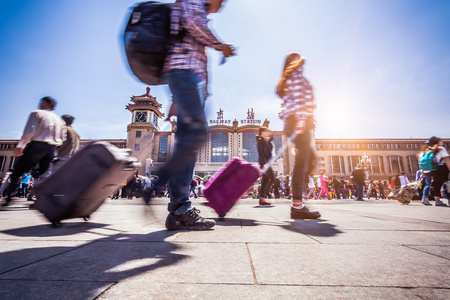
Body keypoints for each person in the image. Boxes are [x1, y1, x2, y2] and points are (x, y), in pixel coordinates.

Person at [147, 0, 235, 230]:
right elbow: (194, 25)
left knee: (189, 141)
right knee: (196, 133)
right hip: (185, 76)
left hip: (187, 79)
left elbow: (182, 42)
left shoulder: (195, 6)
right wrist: (220, 45)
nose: (223, 4)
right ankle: (158, 184)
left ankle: (179, 211)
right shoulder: (192, 1)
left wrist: (177, 99)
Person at [276, 52, 320, 219]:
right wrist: (302, 119)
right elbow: (300, 99)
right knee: (302, 163)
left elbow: (290, 102)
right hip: (299, 120)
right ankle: (297, 205)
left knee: (311, 159)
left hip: (293, 120)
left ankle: (299, 198)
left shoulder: (286, 79)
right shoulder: (296, 76)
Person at [2, 97, 66, 206]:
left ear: (45, 103)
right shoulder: (60, 120)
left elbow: (29, 131)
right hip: (52, 149)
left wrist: (20, 145)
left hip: (37, 145)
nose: (39, 104)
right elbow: (63, 138)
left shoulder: (37, 113)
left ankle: (10, 197)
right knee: (45, 174)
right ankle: (41, 198)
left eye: (41, 102)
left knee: (18, 170)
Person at [419, 136, 450, 206]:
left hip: (433, 169)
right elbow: (446, 159)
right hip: (442, 168)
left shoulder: (427, 150)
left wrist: (423, 172)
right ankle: (449, 199)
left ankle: (437, 201)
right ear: (437, 142)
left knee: (436, 185)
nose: (442, 141)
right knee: (447, 184)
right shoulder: (441, 149)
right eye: (440, 140)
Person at [256, 127, 274, 205]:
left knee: (265, 180)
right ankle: (267, 193)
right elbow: (260, 153)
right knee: (272, 177)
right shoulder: (260, 140)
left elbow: (270, 151)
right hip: (264, 163)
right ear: (262, 132)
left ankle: (262, 200)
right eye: (266, 131)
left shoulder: (267, 141)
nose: (268, 133)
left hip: (267, 163)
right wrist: (264, 163)